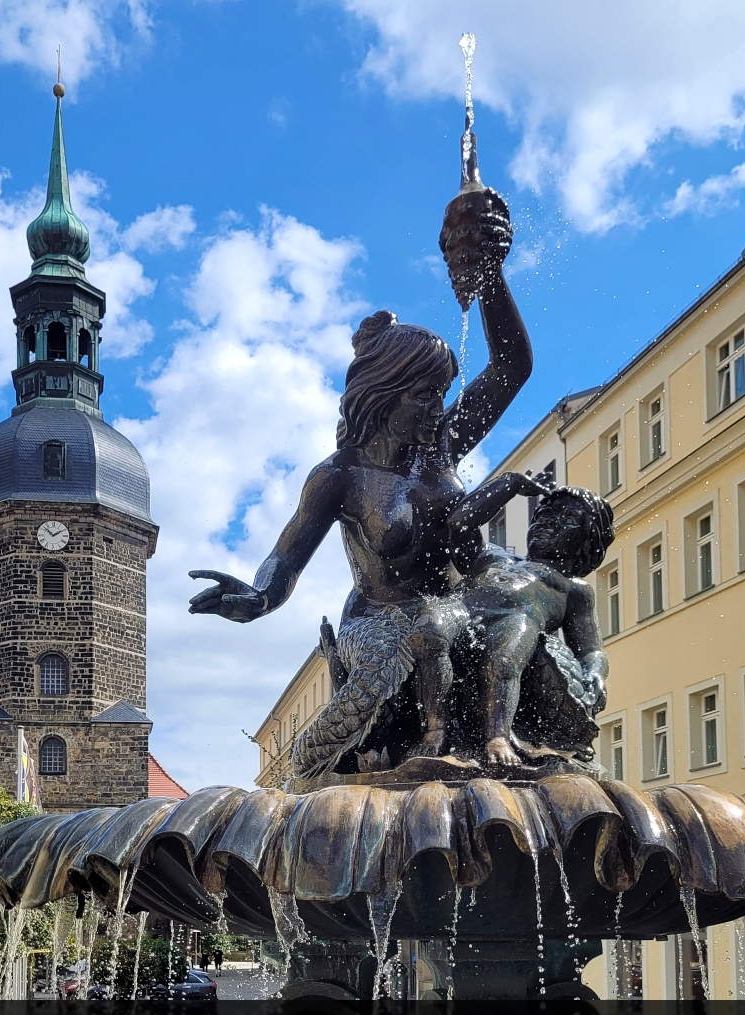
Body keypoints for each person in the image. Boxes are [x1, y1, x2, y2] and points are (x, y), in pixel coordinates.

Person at [190, 189, 549, 779]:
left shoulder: (440, 444)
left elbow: (512, 366)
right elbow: (284, 560)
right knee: (385, 661)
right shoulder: (340, 478)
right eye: (425, 394)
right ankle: (307, 771)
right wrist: (255, 599)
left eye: (442, 392)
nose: (440, 407)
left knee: (528, 627)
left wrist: (491, 276)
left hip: (452, 614)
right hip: (376, 623)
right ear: (383, 397)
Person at [410, 479, 615, 765]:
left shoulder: (573, 588)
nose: (549, 521)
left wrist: (596, 672)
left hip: (517, 621)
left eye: (567, 518)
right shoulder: (493, 556)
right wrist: (511, 484)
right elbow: (460, 523)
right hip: (461, 610)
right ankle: (435, 728)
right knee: (429, 627)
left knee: (505, 658)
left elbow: (590, 649)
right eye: (545, 513)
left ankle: (498, 735)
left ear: (587, 539)